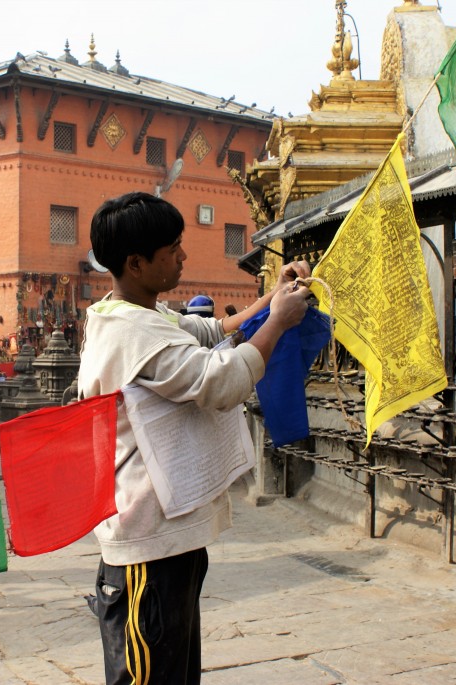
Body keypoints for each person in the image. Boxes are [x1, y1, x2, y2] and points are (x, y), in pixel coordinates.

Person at [78, 191, 312, 685]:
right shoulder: (130, 332)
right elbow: (218, 380)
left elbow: (210, 332)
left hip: (168, 535)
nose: (184, 257)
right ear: (137, 263)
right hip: (146, 544)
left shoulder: (136, 314)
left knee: (175, 671)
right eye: (172, 250)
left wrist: (273, 297)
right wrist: (278, 322)